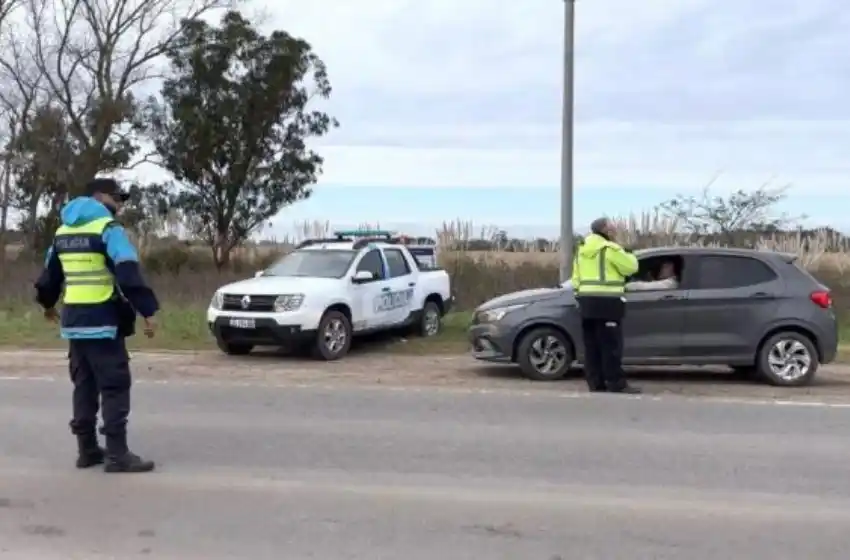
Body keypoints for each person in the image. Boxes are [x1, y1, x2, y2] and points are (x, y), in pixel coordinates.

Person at [34, 178, 159, 473]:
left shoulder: (62, 233)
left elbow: (50, 277)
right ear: (101, 196)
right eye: (119, 198)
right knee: (115, 385)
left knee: (84, 386)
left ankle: (87, 450)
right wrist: (148, 310)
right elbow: (128, 272)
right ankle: (117, 455)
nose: (121, 205)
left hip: (74, 323)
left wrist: (47, 305)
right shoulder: (108, 230)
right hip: (103, 321)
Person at [571, 217, 641, 394]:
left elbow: (575, 279)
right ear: (605, 230)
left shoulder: (581, 250)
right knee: (611, 345)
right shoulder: (610, 248)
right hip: (607, 302)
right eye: (612, 227)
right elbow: (631, 267)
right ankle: (615, 383)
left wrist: (581, 296)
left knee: (592, 345)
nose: (614, 230)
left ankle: (595, 383)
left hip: (586, 303)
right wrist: (627, 250)